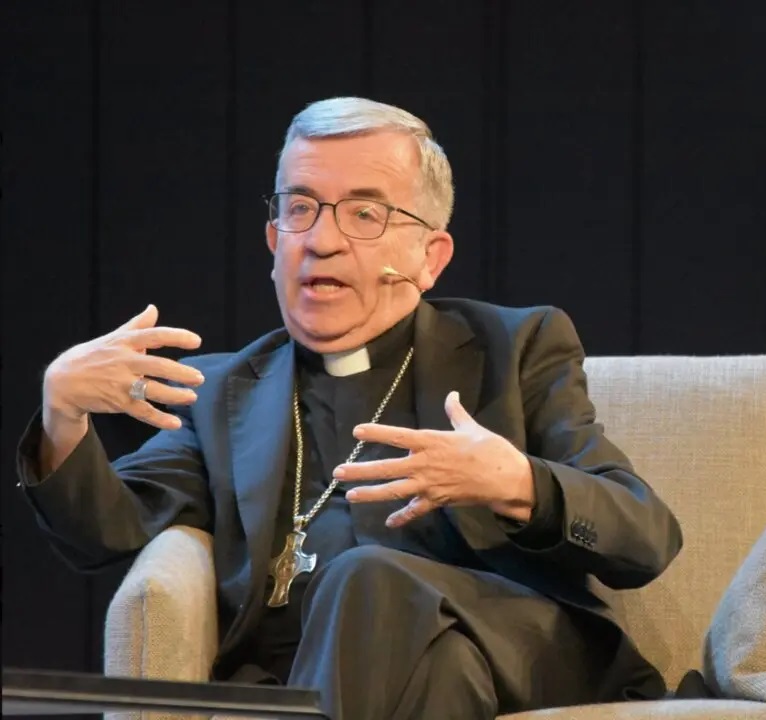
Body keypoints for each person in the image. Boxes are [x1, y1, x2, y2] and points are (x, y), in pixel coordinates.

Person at [15, 97, 683, 720]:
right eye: (300, 207)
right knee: (440, 672)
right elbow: (110, 533)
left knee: (369, 578)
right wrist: (62, 415)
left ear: (430, 257)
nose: (322, 240)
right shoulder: (220, 392)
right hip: (349, 680)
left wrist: (517, 483)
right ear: (273, 240)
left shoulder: (513, 347)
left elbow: (645, 538)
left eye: (365, 214)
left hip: (517, 650)